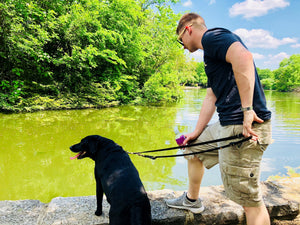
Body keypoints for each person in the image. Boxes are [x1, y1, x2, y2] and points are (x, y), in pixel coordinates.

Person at [165, 13, 272, 225]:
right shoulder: (210, 54)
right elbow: (211, 95)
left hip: (243, 128)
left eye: (181, 41)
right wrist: (196, 132)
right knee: (193, 146)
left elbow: (244, 57)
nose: (183, 47)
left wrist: (248, 109)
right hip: (227, 125)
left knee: (249, 202)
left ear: (188, 29)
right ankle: (191, 200)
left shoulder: (212, 37)